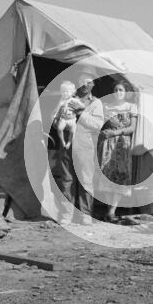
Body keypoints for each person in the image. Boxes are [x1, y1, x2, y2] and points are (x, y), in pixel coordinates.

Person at [55, 72, 103, 225]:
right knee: (67, 180)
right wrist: (60, 119)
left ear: (93, 84)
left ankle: (85, 214)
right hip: (66, 146)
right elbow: (55, 120)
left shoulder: (95, 103)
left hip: (84, 145)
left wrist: (81, 113)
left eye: (89, 82)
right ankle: (66, 214)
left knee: (85, 180)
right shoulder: (67, 98)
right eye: (82, 81)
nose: (85, 85)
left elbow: (97, 125)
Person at [98, 81, 138, 222]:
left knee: (120, 175)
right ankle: (109, 211)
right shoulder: (106, 107)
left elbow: (132, 128)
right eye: (115, 89)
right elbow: (98, 123)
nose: (118, 92)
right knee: (108, 175)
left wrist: (115, 133)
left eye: (121, 90)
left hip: (122, 144)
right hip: (107, 144)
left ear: (125, 92)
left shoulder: (131, 107)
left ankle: (112, 210)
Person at [52, 81, 79, 149]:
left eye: (68, 91)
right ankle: (63, 141)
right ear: (61, 92)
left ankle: (69, 142)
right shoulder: (61, 101)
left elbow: (79, 108)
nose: (65, 93)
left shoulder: (74, 100)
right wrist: (55, 117)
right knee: (60, 129)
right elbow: (57, 110)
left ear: (72, 92)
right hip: (64, 119)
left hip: (72, 119)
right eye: (63, 91)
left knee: (73, 132)